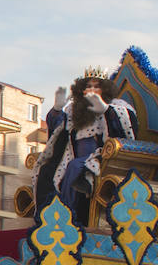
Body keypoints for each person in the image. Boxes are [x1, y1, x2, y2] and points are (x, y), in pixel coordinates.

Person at [33, 68, 138, 224]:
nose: (92, 90)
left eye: (96, 87)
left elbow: (126, 129)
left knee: (75, 167)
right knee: (45, 170)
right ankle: (49, 217)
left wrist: (106, 110)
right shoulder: (73, 111)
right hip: (71, 157)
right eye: (88, 87)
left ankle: (68, 215)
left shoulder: (117, 106)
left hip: (102, 159)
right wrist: (56, 110)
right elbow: (57, 132)